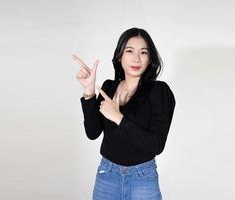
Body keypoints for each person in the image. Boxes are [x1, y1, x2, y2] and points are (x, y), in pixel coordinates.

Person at [73, 27, 175, 200]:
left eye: (143, 52)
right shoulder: (109, 87)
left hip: (143, 179)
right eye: (129, 51)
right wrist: (89, 91)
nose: (136, 58)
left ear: (150, 59)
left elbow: (156, 145)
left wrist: (118, 117)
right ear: (120, 56)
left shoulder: (159, 91)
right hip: (107, 176)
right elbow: (92, 133)